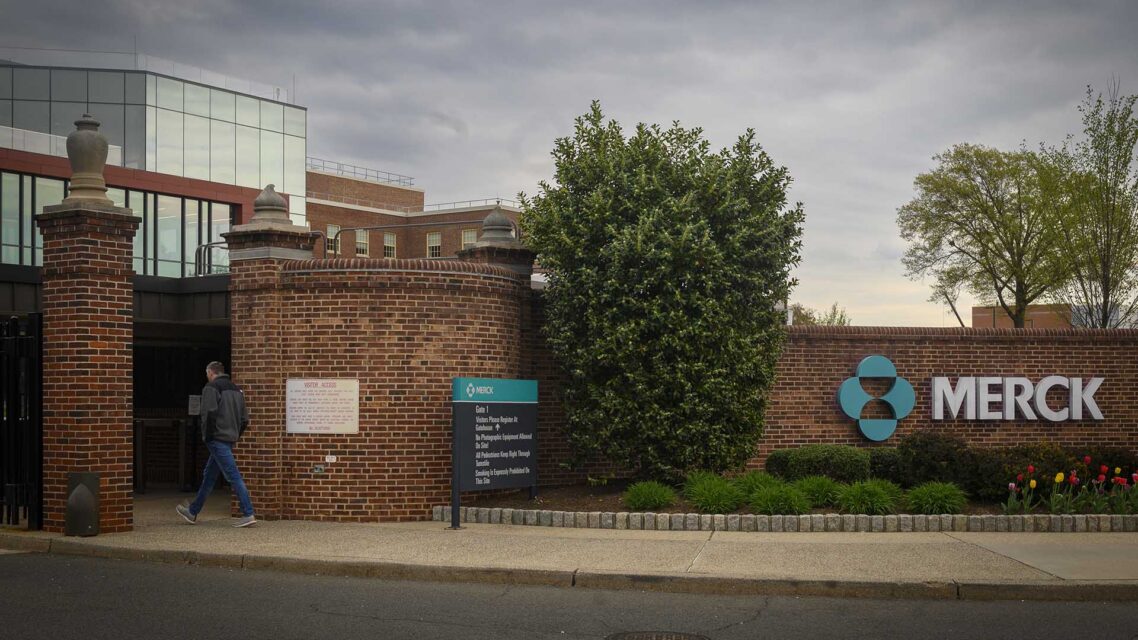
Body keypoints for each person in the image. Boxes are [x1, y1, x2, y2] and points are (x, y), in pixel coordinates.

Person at [176, 361, 256, 527]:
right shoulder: (236, 390)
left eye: (207, 374)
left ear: (211, 373)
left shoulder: (211, 388)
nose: (207, 377)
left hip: (217, 438)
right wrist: (235, 434)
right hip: (230, 438)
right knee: (209, 476)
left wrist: (208, 436)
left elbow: (209, 413)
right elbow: (245, 420)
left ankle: (248, 513)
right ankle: (192, 511)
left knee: (233, 475)